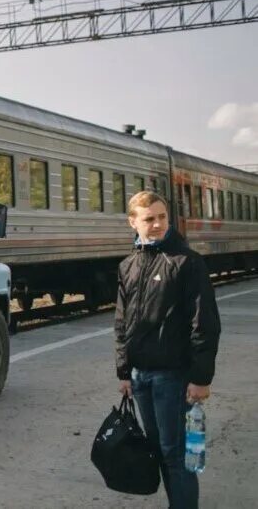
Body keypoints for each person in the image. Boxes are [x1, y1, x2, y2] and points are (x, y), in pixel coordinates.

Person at [115, 191, 220, 509]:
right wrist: (123, 371)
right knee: (159, 451)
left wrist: (201, 377)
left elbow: (205, 324)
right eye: (149, 219)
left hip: (174, 377)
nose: (158, 223)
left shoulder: (187, 262)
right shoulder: (128, 265)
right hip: (141, 377)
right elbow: (122, 322)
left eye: (162, 217)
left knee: (177, 455)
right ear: (133, 222)